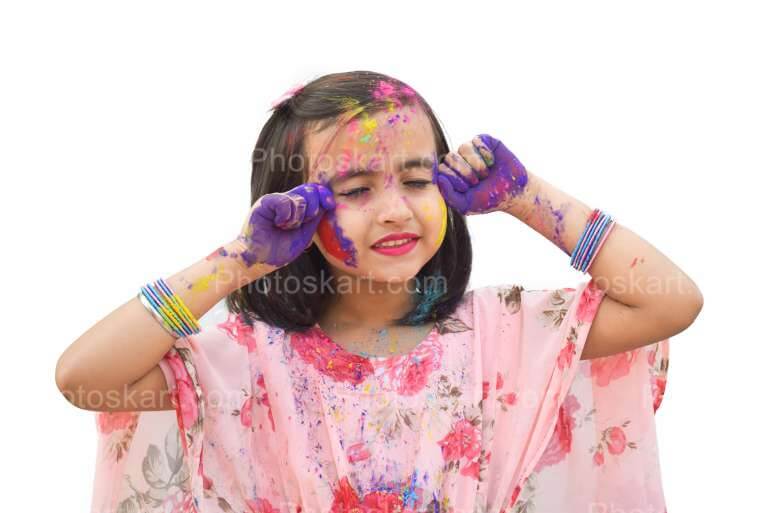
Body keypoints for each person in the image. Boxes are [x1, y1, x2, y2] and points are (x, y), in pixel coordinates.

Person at [56, 70, 701, 513]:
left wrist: (529, 200)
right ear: (294, 206)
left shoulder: (507, 336)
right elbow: (84, 377)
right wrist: (236, 261)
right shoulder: (244, 362)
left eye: (417, 180)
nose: (395, 210)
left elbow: (671, 301)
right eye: (356, 190)